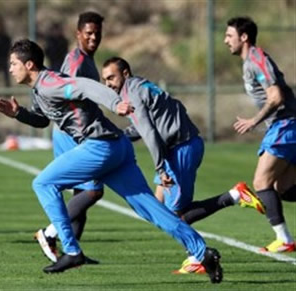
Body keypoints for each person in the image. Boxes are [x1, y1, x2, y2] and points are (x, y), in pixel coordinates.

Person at [0, 39, 223, 284]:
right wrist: (19, 114)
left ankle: (71, 251)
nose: (10, 68)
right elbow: (42, 120)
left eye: (13, 63)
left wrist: (114, 103)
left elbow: (84, 86)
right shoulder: (40, 90)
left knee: (43, 184)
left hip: (100, 147)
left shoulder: (50, 83)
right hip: (118, 147)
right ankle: (202, 252)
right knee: (150, 208)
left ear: (29, 64)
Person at [101, 56, 265, 274]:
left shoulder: (132, 93)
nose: (108, 84)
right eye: (104, 80)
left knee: (174, 216)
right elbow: (147, 126)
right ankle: (227, 206)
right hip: (176, 148)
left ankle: (203, 245)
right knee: (157, 207)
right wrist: (118, 136)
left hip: (182, 148)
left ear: (125, 73)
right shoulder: (137, 87)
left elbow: (149, 133)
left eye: (111, 77)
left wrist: (160, 168)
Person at [35, 11, 105, 264]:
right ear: (78, 34)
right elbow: (67, 93)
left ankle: (72, 254)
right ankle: (49, 232)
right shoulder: (76, 62)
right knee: (93, 191)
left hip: (71, 132)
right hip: (71, 133)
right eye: (89, 33)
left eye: (97, 33)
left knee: (82, 194)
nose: (94, 37)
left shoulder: (86, 59)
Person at [224, 17, 296, 252]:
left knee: (261, 182)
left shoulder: (257, 59)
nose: (226, 41)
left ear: (244, 37)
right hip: (285, 126)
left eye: (229, 36)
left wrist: (254, 121)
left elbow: (276, 97)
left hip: (286, 125)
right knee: (282, 187)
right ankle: (284, 239)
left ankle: (284, 239)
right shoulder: (250, 62)